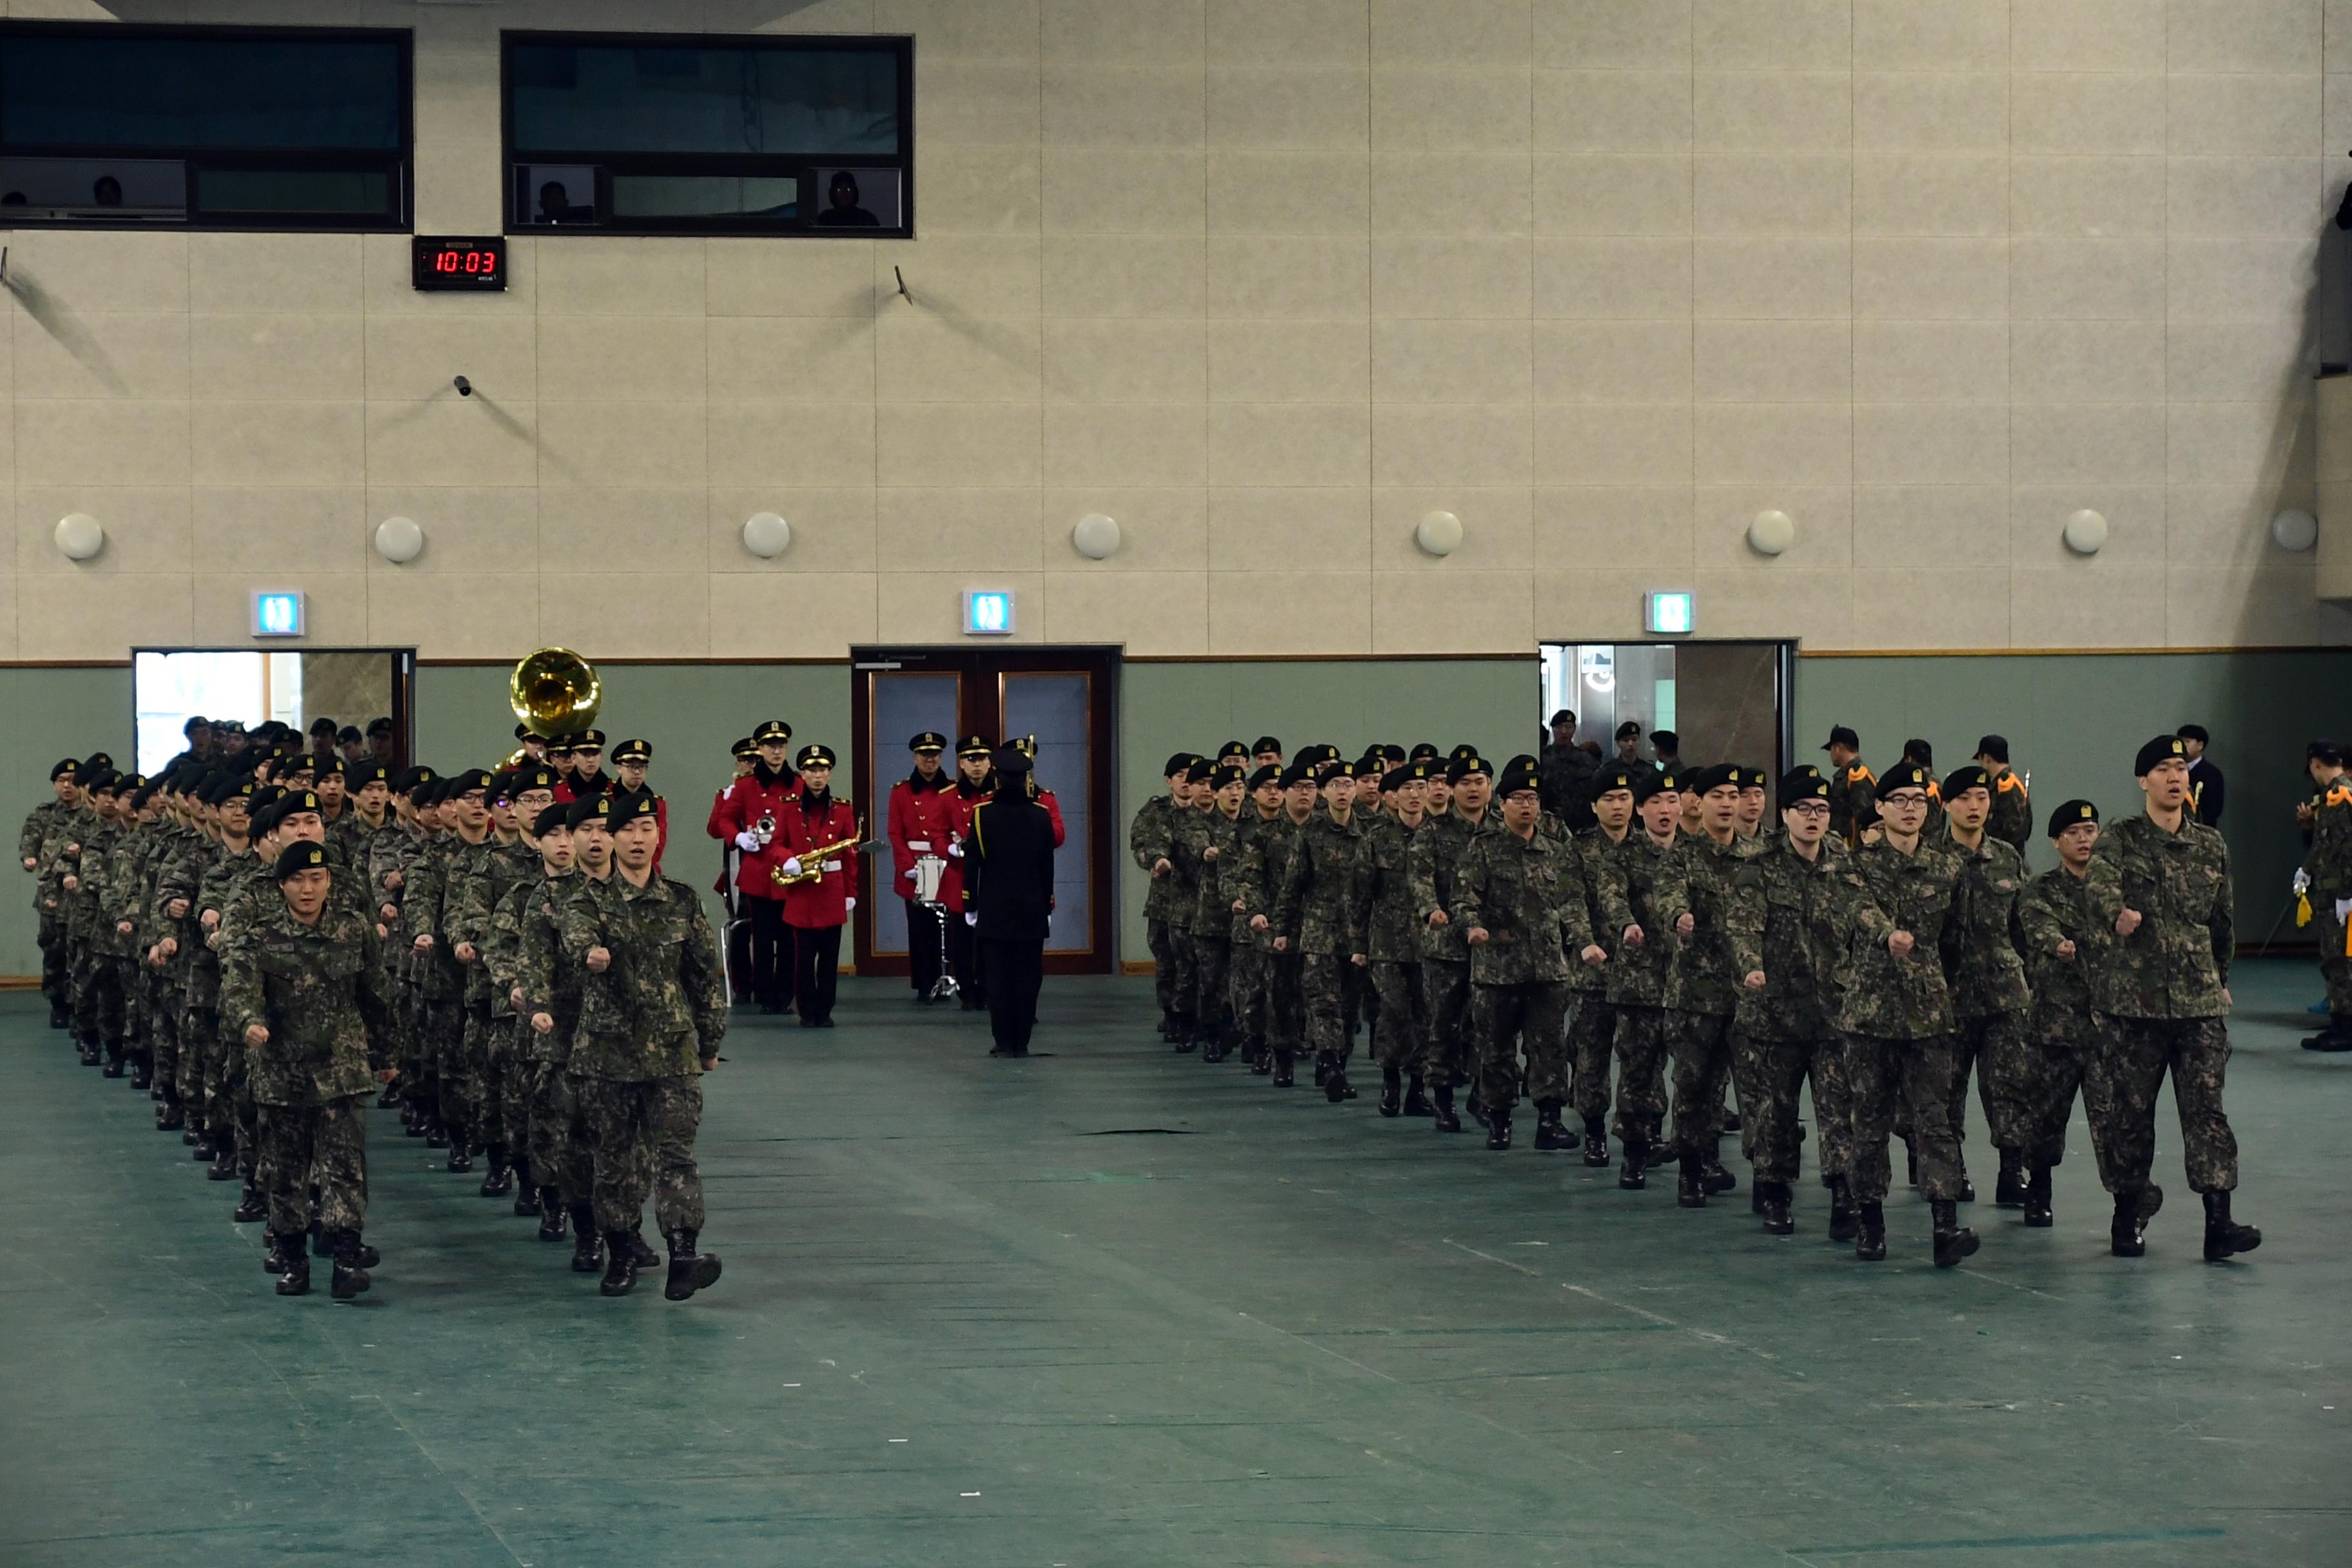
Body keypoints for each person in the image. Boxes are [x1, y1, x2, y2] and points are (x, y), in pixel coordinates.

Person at [2086, 736, 2260, 1264]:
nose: (2174, 776)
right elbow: (2097, 888)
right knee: (2130, 1116)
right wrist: (2117, 912)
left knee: (2207, 1113)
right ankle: (2126, 1216)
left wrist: (2219, 977)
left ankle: (2219, 1222)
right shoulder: (2120, 838)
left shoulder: (2210, 844)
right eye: (2162, 768)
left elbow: (2222, 923)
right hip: (2134, 1008)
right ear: (2144, 781)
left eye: (2181, 767)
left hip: (2199, 1007)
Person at [558, 790, 727, 1299]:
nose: (637, 839)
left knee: (676, 1157)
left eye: (646, 830)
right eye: (627, 831)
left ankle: (682, 1254)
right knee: (614, 1158)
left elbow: (704, 976)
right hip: (608, 1054)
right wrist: (591, 954)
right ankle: (620, 1248)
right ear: (609, 839)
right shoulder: (588, 899)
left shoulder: (680, 899)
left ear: (658, 837)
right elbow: (576, 937)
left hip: (672, 1052)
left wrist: (710, 1038)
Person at [218, 841, 394, 1301]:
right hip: (281, 1069)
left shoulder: (354, 931)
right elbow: (238, 990)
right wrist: (249, 1023)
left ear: (330, 882)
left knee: (345, 1168)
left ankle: (346, 1258)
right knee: (286, 1171)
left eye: (317, 879)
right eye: (298, 880)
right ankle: (293, 1259)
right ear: (282, 887)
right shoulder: (260, 936)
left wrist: (390, 1055)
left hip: (342, 1068)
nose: (308, 888)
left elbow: (377, 996)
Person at [1833, 761, 1977, 1268]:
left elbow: (1956, 940)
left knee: (1935, 1122)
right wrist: (1887, 936)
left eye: (1919, 802)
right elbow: (1859, 911)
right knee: (1869, 1122)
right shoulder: (1855, 864)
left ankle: (1944, 1225)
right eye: (1900, 801)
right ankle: (1871, 1222)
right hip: (1870, 1015)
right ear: (1880, 808)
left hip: (1929, 1016)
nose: (1911, 810)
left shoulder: (1947, 867)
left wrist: (1940, 986)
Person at [1724, 770, 1853, 1237]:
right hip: (1775, 1013)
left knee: (1839, 1110)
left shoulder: (1843, 861)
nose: (1814, 818)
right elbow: (1742, 926)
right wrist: (1750, 967)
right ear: (1785, 815)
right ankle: (1775, 1189)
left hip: (1832, 1011)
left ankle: (1845, 1192)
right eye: (1804, 810)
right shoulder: (1760, 866)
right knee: (1775, 1111)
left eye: (1821, 810)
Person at [1456, 758, 1604, 1152]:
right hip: (1498, 969)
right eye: (1518, 799)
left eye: (1533, 799)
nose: (1526, 806)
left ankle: (1550, 1120)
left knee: (1549, 1047)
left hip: (1548, 970)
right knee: (1497, 1049)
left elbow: (1574, 901)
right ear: (1501, 804)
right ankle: (1499, 1121)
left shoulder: (1557, 851)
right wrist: (1472, 927)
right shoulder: (1482, 850)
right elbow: (1464, 898)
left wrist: (1583, 941)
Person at [1654, 764, 1749, 1204]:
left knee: (1731, 1087)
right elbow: (1669, 895)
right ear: (1700, 802)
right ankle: (1690, 1170)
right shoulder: (1683, 855)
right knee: (1693, 1086)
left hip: (1747, 991)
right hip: (1695, 993)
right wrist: (1679, 917)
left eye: (1734, 795)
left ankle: (1713, 1159)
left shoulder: (1756, 854)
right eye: (1719, 796)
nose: (1728, 804)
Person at [1939, 765, 2034, 1208]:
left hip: (2003, 994)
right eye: (1965, 799)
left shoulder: (2008, 858)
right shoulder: (1930, 859)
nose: (1975, 807)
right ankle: (1951, 1168)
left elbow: (2023, 927)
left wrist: (2032, 981)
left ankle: (2012, 1172)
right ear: (1946, 804)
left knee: (2009, 1086)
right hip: (1948, 997)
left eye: (1981, 798)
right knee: (1946, 1089)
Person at [2014, 799, 2109, 1230]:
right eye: (2074, 832)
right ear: (2056, 841)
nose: (2085, 838)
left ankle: (2127, 1207)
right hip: (2055, 1023)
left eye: (2090, 830)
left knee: (2117, 1122)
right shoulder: (2040, 889)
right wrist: (2058, 944)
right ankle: (2039, 1190)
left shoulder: (2114, 889)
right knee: (2046, 1117)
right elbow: (2037, 929)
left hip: (2109, 1025)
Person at [1592, 768, 1681, 1187]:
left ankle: (1696, 1152)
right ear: (1641, 810)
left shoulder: (1692, 855)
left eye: (1673, 802)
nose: (1666, 810)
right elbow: (1611, 900)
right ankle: (1633, 1151)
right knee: (1638, 1069)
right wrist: (1627, 925)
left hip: (1691, 982)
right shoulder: (1620, 858)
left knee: (1698, 1072)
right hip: (1639, 980)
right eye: (1657, 804)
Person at [1274, 759, 1366, 1103]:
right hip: (1319, 933)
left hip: (1359, 936)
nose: (1342, 792)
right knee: (1324, 1002)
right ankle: (1331, 1067)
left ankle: (1336, 1062)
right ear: (1324, 792)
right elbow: (1292, 885)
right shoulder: (1309, 834)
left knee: (1350, 1007)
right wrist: (1282, 928)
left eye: (1348, 784)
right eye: (1335, 786)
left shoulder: (1369, 833)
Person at [961, 749, 1058, 1057]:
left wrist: (970, 905)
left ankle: (1004, 1041)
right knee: (1029, 979)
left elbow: (972, 865)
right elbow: (1047, 866)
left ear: (997, 778)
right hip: (1031, 910)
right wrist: (1046, 904)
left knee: (999, 980)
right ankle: (1023, 1041)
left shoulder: (981, 814)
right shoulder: (1041, 814)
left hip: (994, 910)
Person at [709, 720, 797, 1014]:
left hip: (788, 870)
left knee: (788, 939)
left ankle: (785, 994)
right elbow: (723, 820)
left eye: (781, 746)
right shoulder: (745, 786)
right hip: (758, 871)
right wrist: (739, 837)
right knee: (761, 938)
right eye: (771, 746)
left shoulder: (797, 783)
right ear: (760, 749)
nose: (776, 751)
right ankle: (763, 993)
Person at [775, 744, 858, 1028]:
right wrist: (787, 860)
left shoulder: (844, 809)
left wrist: (851, 892)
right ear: (803, 774)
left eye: (822, 770)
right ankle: (806, 1010)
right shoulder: (788, 808)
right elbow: (776, 844)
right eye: (811, 770)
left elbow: (850, 854)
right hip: (802, 890)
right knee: (803, 958)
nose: (818, 776)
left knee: (829, 958)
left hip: (832, 890)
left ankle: (825, 1010)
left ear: (830, 773)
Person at [887, 732, 958, 1004]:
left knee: (947, 928)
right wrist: (907, 866)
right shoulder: (901, 792)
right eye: (924, 754)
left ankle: (945, 981)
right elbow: (895, 833)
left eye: (935, 754)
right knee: (919, 929)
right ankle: (923, 983)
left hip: (945, 864)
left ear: (941, 757)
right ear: (915, 757)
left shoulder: (952, 790)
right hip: (916, 866)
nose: (930, 759)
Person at [1131, 754, 1196, 1041]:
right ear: (1170, 781)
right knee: (1167, 961)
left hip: (1200, 902)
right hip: (1165, 902)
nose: (1186, 781)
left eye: (1192, 776)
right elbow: (1140, 843)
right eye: (1180, 775)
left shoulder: (1208, 811)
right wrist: (1154, 861)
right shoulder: (1155, 812)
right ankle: (1171, 1014)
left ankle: (1197, 1016)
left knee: (1198, 962)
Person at [2297, 740, 2352, 1051]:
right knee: (2334, 961)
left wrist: (2349, 894)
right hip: (2331, 894)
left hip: (2342, 897)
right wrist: (2306, 869)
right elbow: (2325, 845)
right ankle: (2340, 1023)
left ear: (2316, 764)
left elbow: (2348, 849)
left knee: (2343, 962)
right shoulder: (2332, 797)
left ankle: (2347, 1027)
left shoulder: (2343, 797)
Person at [1539, 708, 1600, 832]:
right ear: (1553, 730)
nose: (1564, 732)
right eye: (1559, 727)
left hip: (1581, 825)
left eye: (1568, 727)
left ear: (1574, 730)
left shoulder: (1586, 759)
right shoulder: (1542, 758)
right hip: (1549, 825)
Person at [2179, 725, 2224, 827]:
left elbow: (2214, 810)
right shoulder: (2175, 773)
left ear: (2200, 745)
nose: (2182, 746)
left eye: (2187, 742)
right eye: (2180, 742)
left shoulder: (2212, 774)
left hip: (2201, 834)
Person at [815, 170, 881, 227]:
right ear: (833, 193)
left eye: (848, 189)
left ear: (855, 192)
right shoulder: (825, 219)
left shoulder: (866, 219)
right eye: (839, 190)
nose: (844, 193)